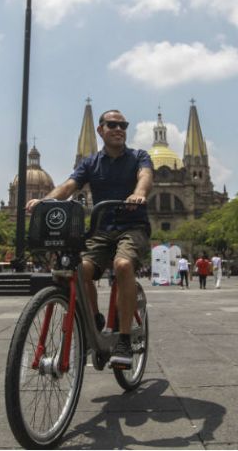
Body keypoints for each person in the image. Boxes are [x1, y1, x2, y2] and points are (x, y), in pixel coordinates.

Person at [26, 109, 153, 369]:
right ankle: (94, 318)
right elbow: (69, 185)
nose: (119, 129)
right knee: (77, 271)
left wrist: (138, 193)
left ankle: (125, 340)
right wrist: (45, 201)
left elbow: (145, 177)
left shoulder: (139, 156)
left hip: (133, 227)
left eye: (123, 125)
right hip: (100, 230)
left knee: (123, 266)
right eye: (112, 124)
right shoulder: (91, 163)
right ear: (100, 129)